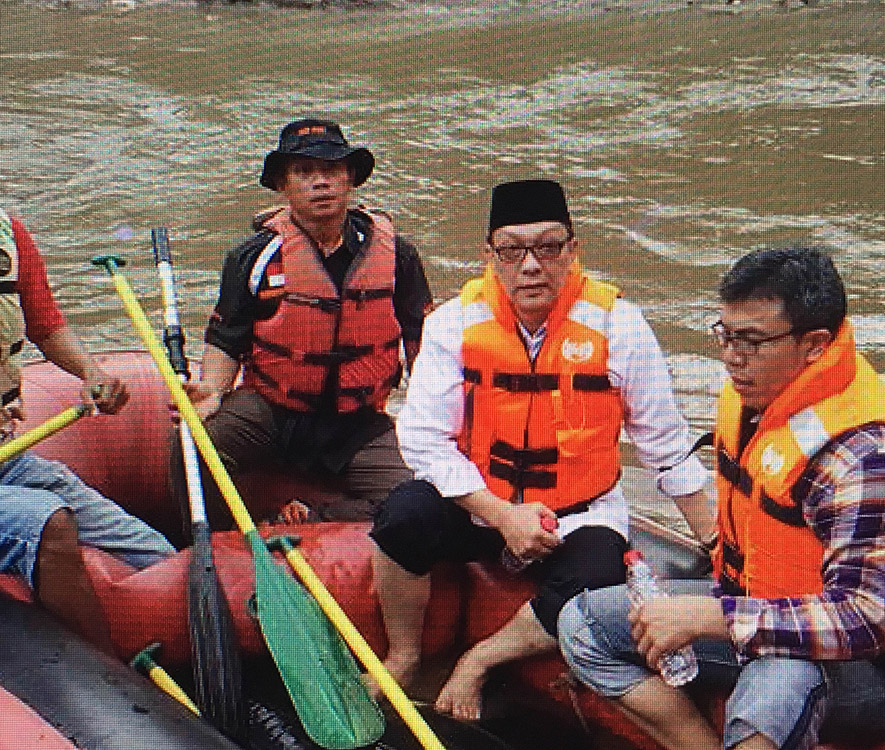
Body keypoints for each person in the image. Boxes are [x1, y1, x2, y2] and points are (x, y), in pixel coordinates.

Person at [557, 247, 885, 750]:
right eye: (727, 335)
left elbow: (864, 619)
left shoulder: (868, 458)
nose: (732, 357)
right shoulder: (753, 390)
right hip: (749, 604)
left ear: (816, 346)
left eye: (752, 341)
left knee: (773, 683)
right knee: (583, 624)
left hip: (865, 670)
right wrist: (715, 611)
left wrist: (708, 619)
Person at [370, 179, 715, 719]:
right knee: (401, 516)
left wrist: (718, 541)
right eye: (513, 249)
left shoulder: (619, 324)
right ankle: (405, 654)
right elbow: (421, 438)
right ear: (491, 256)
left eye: (548, 247)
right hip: (481, 507)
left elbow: (666, 446)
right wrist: (502, 516)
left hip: (578, 517)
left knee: (599, 576)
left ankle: (479, 661)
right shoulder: (451, 324)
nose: (531, 265)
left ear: (572, 250)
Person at [172, 118, 432, 535]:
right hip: (272, 410)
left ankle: (314, 519)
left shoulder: (397, 255)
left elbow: (421, 342)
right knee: (195, 447)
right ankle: (217, 547)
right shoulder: (253, 257)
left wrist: (434, 416)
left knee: (420, 495)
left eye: (330, 171)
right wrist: (212, 395)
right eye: (304, 172)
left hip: (359, 421)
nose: (320, 183)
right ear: (283, 185)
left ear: (349, 179)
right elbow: (226, 339)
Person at [0, 210, 175, 652]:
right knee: (47, 520)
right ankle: (116, 687)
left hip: (8, 456)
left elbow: (45, 324)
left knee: (151, 551)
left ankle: (195, 663)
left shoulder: (8, 230)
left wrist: (91, 374)